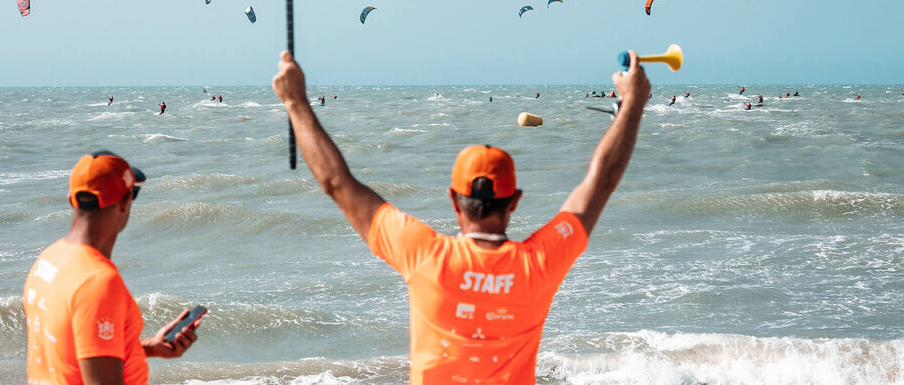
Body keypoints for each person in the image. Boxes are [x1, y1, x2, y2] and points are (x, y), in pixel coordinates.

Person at [271, 50, 650, 384]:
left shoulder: (425, 256)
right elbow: (601, 179)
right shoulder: (539, 263)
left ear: (454, 200)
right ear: (514, 201)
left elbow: (337, 182)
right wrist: (632, 103)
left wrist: (295, 103)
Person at [23, 151, 200, 384]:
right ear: (125, 202)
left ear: (71, 199)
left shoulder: (49, 259)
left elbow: (71, 350)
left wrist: (149, 347)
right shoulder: (98, 281)